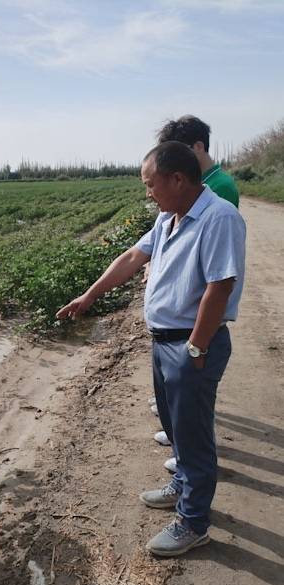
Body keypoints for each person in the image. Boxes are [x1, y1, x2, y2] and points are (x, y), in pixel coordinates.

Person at [57, 141, 246, 556]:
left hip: (191, 344)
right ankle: (181, 484)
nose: (147, 193)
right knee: (175, 425)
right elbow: (132, 257)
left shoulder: (218, 217)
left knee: (194, 436)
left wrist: (196, 348)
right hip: (164, 341)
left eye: (150, 184)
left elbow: (220, 286)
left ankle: (193, 522)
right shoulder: (167, 219)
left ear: (177, 179)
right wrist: (89, 295)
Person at [151, 115, 240, 470]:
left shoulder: (219, 196)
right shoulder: (173, 209)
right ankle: (186, 466)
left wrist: (197, 347)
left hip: (191, 330)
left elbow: (219, 281)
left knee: (196, 424)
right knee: (185, 420)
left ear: (197, 148)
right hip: (173, 332)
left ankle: (193, 484)